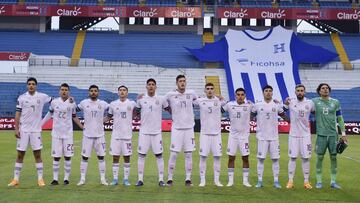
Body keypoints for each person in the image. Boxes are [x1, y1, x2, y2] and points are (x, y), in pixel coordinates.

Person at [8, 77, 52, 187]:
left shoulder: (42, 97)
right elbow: (17, 114)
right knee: (20, 155)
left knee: (37, 155)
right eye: (29, 84)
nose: (31, 85)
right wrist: (16, 128)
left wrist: (67, 100)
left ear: (36, 86)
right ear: (27, 85)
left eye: (33, 84)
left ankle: (40, 179)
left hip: (36, 131)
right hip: (23, 131)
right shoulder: (22, 98)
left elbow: (54, 102)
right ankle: (16, 179)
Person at [41, 83, 83, 185]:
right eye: (62, 89)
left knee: (68, 156)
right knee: (56, 156)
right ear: (59, 91)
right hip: (56, 134)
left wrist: (82, 127)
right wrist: (40, 124)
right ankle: (55, 179)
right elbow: (49, 114)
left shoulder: (72, 103)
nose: (64, 91)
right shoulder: (54, 102)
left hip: (68, 134)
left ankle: (66, 179)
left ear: (68, 92)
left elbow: (74, 116)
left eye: (66, 90)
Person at [252, 85, 287, 189]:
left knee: (275, 159)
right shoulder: (257, 105)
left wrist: (286, 108)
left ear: (272, 93)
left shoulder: (276, 105)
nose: (268, 92)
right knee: (261, 159)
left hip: (274, 137)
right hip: (261, 137)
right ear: (263, 93)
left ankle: (276, 181)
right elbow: (250, 116)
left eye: (270, 91)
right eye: (266, 91)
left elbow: (285, 117)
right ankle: (259, 181)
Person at [312, 83, 347, 189]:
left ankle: (333, 182)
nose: (325, 90)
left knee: (333, 157)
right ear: (319, 91)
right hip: (321, 135)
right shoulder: (314, 102)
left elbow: (340, 118)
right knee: (320, 157)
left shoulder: (335, 102)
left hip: (333, 135)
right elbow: (303, 104)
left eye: (327, 88)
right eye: (323, 88)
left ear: (329, 90)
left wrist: (344, 133)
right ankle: (319, 181)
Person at [165, 75, 198, 187]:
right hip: (177, 129)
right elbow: (162, 102)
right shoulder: (170, 94)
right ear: (176, 83)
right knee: (174, 154)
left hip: (189, 129)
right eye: (180, 81)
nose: (182, 83)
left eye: (184, 81)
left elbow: (200, 101)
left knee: (188, 154)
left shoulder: (191, 93)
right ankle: (169, 179)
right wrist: (170, 110)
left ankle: (188, 179)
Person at [135, 78, 168, 187]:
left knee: (159, 155)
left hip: (156, 133)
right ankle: (140, 179)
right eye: (149, 84)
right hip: (144, 132)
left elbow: (170, 109)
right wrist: (136, 101)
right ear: (146, 86)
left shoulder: (161, 99)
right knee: (141, 155)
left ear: (155, 86)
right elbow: (135, 113)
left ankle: (161, 179)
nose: (151, 86)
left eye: (153, 84)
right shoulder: (141, 99)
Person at [76, 85, 109, 186]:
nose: (93, 92)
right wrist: (81, 126)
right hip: (87, 135)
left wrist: (102, 121)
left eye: (95, 91)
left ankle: (103, 179)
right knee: (85, 157)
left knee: (101, 157)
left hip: (100, 135)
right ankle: (82, 179)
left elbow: (112, 112)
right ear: (89, 92)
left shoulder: (103, 104)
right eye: (91, 91)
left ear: (98, 92)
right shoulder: (83, 103)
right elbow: (73, 111)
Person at [194, 83, 226, 187]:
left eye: (212, 88)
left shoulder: (219, 101)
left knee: (217, 157)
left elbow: (226, 105)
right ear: (204, 90)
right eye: (207, 89)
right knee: (203, 157)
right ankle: (202, 180)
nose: (210, 90)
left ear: (214, 90)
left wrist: (222, 98)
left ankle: (217, 181)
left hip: (216, 134)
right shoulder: (200, 101)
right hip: (205, 134)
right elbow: (189, 101)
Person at [283, 84, 314, 189]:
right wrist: (284, 104)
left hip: (306, 135)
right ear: (295, 92)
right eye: (298, 91)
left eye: (301, 90)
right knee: (292, 158)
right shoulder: (291, 102)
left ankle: (306, 182)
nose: (300, 92)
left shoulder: (310, 103)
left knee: (306, 158)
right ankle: (290, 181)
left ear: (304, 92)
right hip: (293, 135)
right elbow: (282, 111)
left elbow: (316, 113)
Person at [105, 85, 136, 186]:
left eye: (124, 90)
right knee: (115, 157)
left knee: (127, 157)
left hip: (127, 136)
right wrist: (98, 122)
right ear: (118, 92)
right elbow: (108, 117)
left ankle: (126, 179)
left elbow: (138, 113)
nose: (122, 92)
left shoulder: (132, 103)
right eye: (120, 90)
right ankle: (115, 179)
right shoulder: (113, 104)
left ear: (127, 92)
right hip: (116, 136)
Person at [222, 88, 252, 187]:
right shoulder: (230, 105)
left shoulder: (249, 105)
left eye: (242, 94)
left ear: (245, 95)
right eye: (238, 94)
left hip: (244, 136)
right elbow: (219, 110)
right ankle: (230, 181)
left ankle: (245, 181)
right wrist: (220, 100)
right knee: (231, 158)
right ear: (235, 96)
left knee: (245, 158)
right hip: (233, 136)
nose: (240, 96)